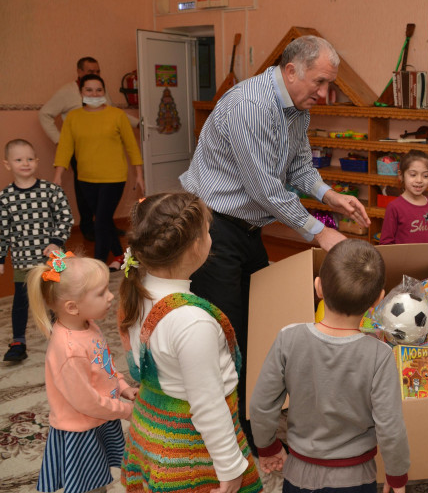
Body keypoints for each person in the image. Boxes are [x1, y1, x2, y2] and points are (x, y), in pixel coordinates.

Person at [180, 35, 369, 446]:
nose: (324, 94)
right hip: (213, 229)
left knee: (259, 327)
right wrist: (321, 232)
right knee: (225, 335)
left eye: (329, 84)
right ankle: (227, 438)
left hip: (248, 228)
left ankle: (252, 423)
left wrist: (330, 196)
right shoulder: (250, 105)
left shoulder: (296, 107)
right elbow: (265, 187)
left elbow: (299, 166)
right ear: (291, 70)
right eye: (320, 82)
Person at [119, 192, 262, 492]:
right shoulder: (193, 322)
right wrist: (230, 468)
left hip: (151, 429)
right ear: (197, 246)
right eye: (209, 231)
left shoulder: (137, 290)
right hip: (189, 450)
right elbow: (208, 405)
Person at [250, 239, 410, 493]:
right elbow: (390, 427)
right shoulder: (380, 355)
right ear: (378, 300)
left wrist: (267, 447)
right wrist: (397, 474)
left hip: (298, 473)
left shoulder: (288, 338)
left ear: (318, 287)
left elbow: (261, 404)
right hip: (355, 479)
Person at [26, 253, 136, 493]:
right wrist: (126, 411)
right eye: (101, 293)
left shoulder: (87, 325)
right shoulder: (69, 351)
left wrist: (123, 387)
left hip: (100, 417)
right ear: (72, 307)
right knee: (87, 485)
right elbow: (86, 402)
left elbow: (104, 364)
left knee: (99, 478)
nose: (111, 296)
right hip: (82, 429)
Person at [39, 57, 137, 242]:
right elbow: (45, 114)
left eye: (98, 71)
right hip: (81, 149)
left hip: (104, 149)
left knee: (106, 193)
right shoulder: (67, 92)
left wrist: (137, 123)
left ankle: (106, 226)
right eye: (91, 71)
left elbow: (113, 113)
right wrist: (60, 141)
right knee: (85, 192)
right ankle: (88, 227)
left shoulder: (100, 90)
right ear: (79, 72)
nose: (95, 74)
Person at [52, 74, 145, 268]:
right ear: (81, 92)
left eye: (98, 90)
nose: (94, 94)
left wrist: (139, 174)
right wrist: (58, 174)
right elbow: (65, 148)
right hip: (86, 179)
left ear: (104, 92)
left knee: (101, 221)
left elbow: (131, 146)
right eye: (89, 90)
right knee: (104, 220)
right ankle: (120, 256)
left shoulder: (117, 115)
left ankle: (99, 265)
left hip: (114, 178)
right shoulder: (73, 117)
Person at [0, 139, 73, 362]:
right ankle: (18, 342)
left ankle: (62, 334)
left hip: (52, 259)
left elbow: (65, 217)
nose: (25, 163)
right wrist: (1, 258)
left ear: (37, 161)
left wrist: (56, 241)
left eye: (30, 159)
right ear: (7, 164)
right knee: (21, 301)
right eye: (19, 160)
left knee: (55, 297)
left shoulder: (51, 191)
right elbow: (2, 231)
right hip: (23, 261)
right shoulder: (5, 198)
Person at [379, 150, 428, 244]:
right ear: (401, 175)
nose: (419, 180)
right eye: (413, 175)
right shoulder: (394, 207)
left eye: (425, 176)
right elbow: (386, 243)